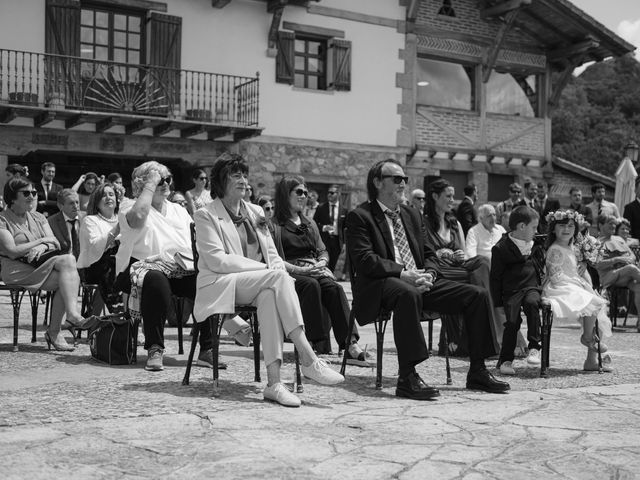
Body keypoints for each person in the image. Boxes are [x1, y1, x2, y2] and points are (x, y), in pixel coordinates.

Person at [346, 159, 509, 400]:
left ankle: (477, 370)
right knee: (407, 292)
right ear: (378, 182)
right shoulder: (360, 216)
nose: (403, 183)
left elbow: (429, 253)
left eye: (405, 179)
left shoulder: (411, 214)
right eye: (397, 179)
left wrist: (430, 274)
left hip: (419, 279)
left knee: (477, 295)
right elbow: (365, 261)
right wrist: (403, 273)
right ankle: (407, 376)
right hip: (382, 283)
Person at [193, 153, 344, 408]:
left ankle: (274, 383)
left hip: (260, 284)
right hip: (223, 283)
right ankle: (308, 358)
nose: (243, 180)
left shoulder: (255, 211)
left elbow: (273, 255)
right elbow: (217, 261)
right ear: (220, 180)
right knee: (275, 278)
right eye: (235, 175)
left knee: (269, 295)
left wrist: (271, 270)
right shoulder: (206, 214)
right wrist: (267, 269)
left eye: (244, 175)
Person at [114, 161, 214, 372]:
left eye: (167, 179)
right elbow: (139, 217)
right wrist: (150, 185)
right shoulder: (129, 206)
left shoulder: (178, 210)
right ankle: (155, 347)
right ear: (143, 184)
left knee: (206, 281)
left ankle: (207, 349)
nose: (165, 183)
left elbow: (196, 241)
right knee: (156, 280)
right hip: (140, 268)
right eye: (158, 180)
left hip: (180, 267)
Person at [271, 175, 371, 364]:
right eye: (298, 192)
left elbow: (322, 250)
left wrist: (322, 263)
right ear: (285, 194)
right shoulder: (274, 225)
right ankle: (310, 344)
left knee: (334, 288)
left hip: (313, 269)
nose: (304, 196)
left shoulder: (310, 223)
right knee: (311, 286)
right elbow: (274, 259)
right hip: (289, 272)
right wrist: (302, 270)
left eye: (305, 193)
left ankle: (349, 343)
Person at [0, 178, 93, 351]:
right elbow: (12, 251)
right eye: (26, 193)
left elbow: (55, 243)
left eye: (34, 193)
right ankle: (59, 328)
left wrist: (43, 245)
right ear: (12, 197)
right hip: (15, 269)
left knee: (67, 269)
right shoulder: (2, 219)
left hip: (41, 265)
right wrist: (42, 240)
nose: (32, 196)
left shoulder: (38, 217)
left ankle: (64, 322)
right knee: (68, 270)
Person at [424, 179, 499, 355]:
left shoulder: (455, 224)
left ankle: (483, 336)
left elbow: (464, 254)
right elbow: (423, 254)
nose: (452, 200)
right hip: (439, 269)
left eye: (453, 196)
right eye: (448, 196)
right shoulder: (424, 223)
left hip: (458, 267)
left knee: (482, 262)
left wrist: (458, 255)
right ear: (435, 196)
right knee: (474, 283)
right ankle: (471, 341)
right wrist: (442, 253)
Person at [543, 210, 613, 372]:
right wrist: (577, 284)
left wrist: (584, 270)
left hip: (574, 284)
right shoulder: (555, 249)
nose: (566, 229)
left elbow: (576, 269)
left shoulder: (572, 248)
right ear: (553, 228)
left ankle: (591, 360)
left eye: (570, 226)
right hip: (560, 287)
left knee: (598, 306)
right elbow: (555, 275)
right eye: (562, 225)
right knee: (592, 302)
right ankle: (588, 337)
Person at [490, 206, 542, 375]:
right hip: (511, 290)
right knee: (512, 322)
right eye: (534, 227)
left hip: (531, 286)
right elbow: (495, 278)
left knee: (533, 304)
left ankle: (534, 347)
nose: (536, 231)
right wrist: (497, 303)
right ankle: (505, 359)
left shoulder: (537, 244)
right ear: (521, 227)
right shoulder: (501, 248)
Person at [77, 182, 121, 314]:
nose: (108, 198)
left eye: (111, 194)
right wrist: (116, 231)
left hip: (120, 264)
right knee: (112, 261)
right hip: (95, 266)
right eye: (103, 196)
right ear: (96, 202)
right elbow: (95, 246)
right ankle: (118, 310)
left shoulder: (122, 218)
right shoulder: (90, 220)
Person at [595, 213, 640, 327]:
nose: (613, 226)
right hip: (608, 277)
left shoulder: (618, 239)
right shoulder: (597, 242)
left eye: (614, 224)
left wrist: (626, 260)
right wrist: (616, 259)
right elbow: (598, 264)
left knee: (638, 287)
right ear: (600, 225)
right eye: (610, 224)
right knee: (631, 268)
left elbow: (632, 256)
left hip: (626, 275)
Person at [313, 185, 346, 273]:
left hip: (337, 241)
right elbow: (314, 223)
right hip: (324, 240)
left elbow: (345, 228)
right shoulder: (321, 207)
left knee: (333, 263)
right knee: (324, 261)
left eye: (332, 193)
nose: (329, 195)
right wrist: (323, 227)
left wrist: (345, 243)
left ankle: (329, 279)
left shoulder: (344, 210)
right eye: (328, 192)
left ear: (338, 194)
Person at [47, 189, 80, 259]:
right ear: (60, 206)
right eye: (71, 203)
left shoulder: (86, 218)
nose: (75, 206)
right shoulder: (51, 222)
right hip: (63, 262)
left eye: (77, 202)